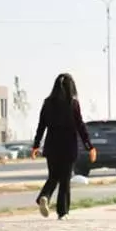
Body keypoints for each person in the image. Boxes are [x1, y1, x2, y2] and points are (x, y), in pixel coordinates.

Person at [31, 73, 96, 220]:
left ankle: (44, 196)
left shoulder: (47, 103)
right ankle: (63, 212)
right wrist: (89, 146)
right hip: (68, 146)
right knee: (65, 180)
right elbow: (80, 125)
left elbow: (41, 126)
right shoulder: (73, 103)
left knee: (53, 176)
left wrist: (36, 145)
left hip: (51, 146)